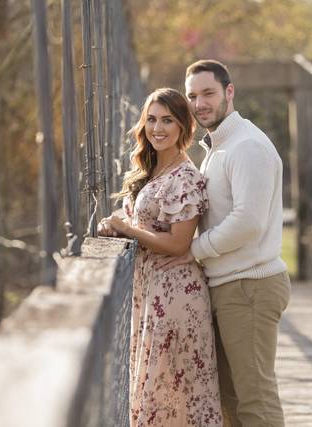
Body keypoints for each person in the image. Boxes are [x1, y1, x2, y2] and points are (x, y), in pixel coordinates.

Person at [160, 60, 291, 427]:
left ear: (229, 92)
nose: (199, 103)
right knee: (230, 400)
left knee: (255, 398)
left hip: (249, 285)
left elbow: (249, 222)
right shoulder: (218, 147)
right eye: (192, 96)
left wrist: (194, 251)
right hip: (228, 285)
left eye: (208, 93)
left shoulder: (247, 146)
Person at [98, 88, 222, 427]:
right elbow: (143, 221)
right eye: (151, 119)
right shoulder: (153, 169)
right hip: (151, 293)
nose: (158, 128)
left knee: (171, 396)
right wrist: (115, 224)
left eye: (168, 120)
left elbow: (178, 244)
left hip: (176, 296)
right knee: (160, 396)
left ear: (184, 126)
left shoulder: (185, 177)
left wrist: (128, 229)